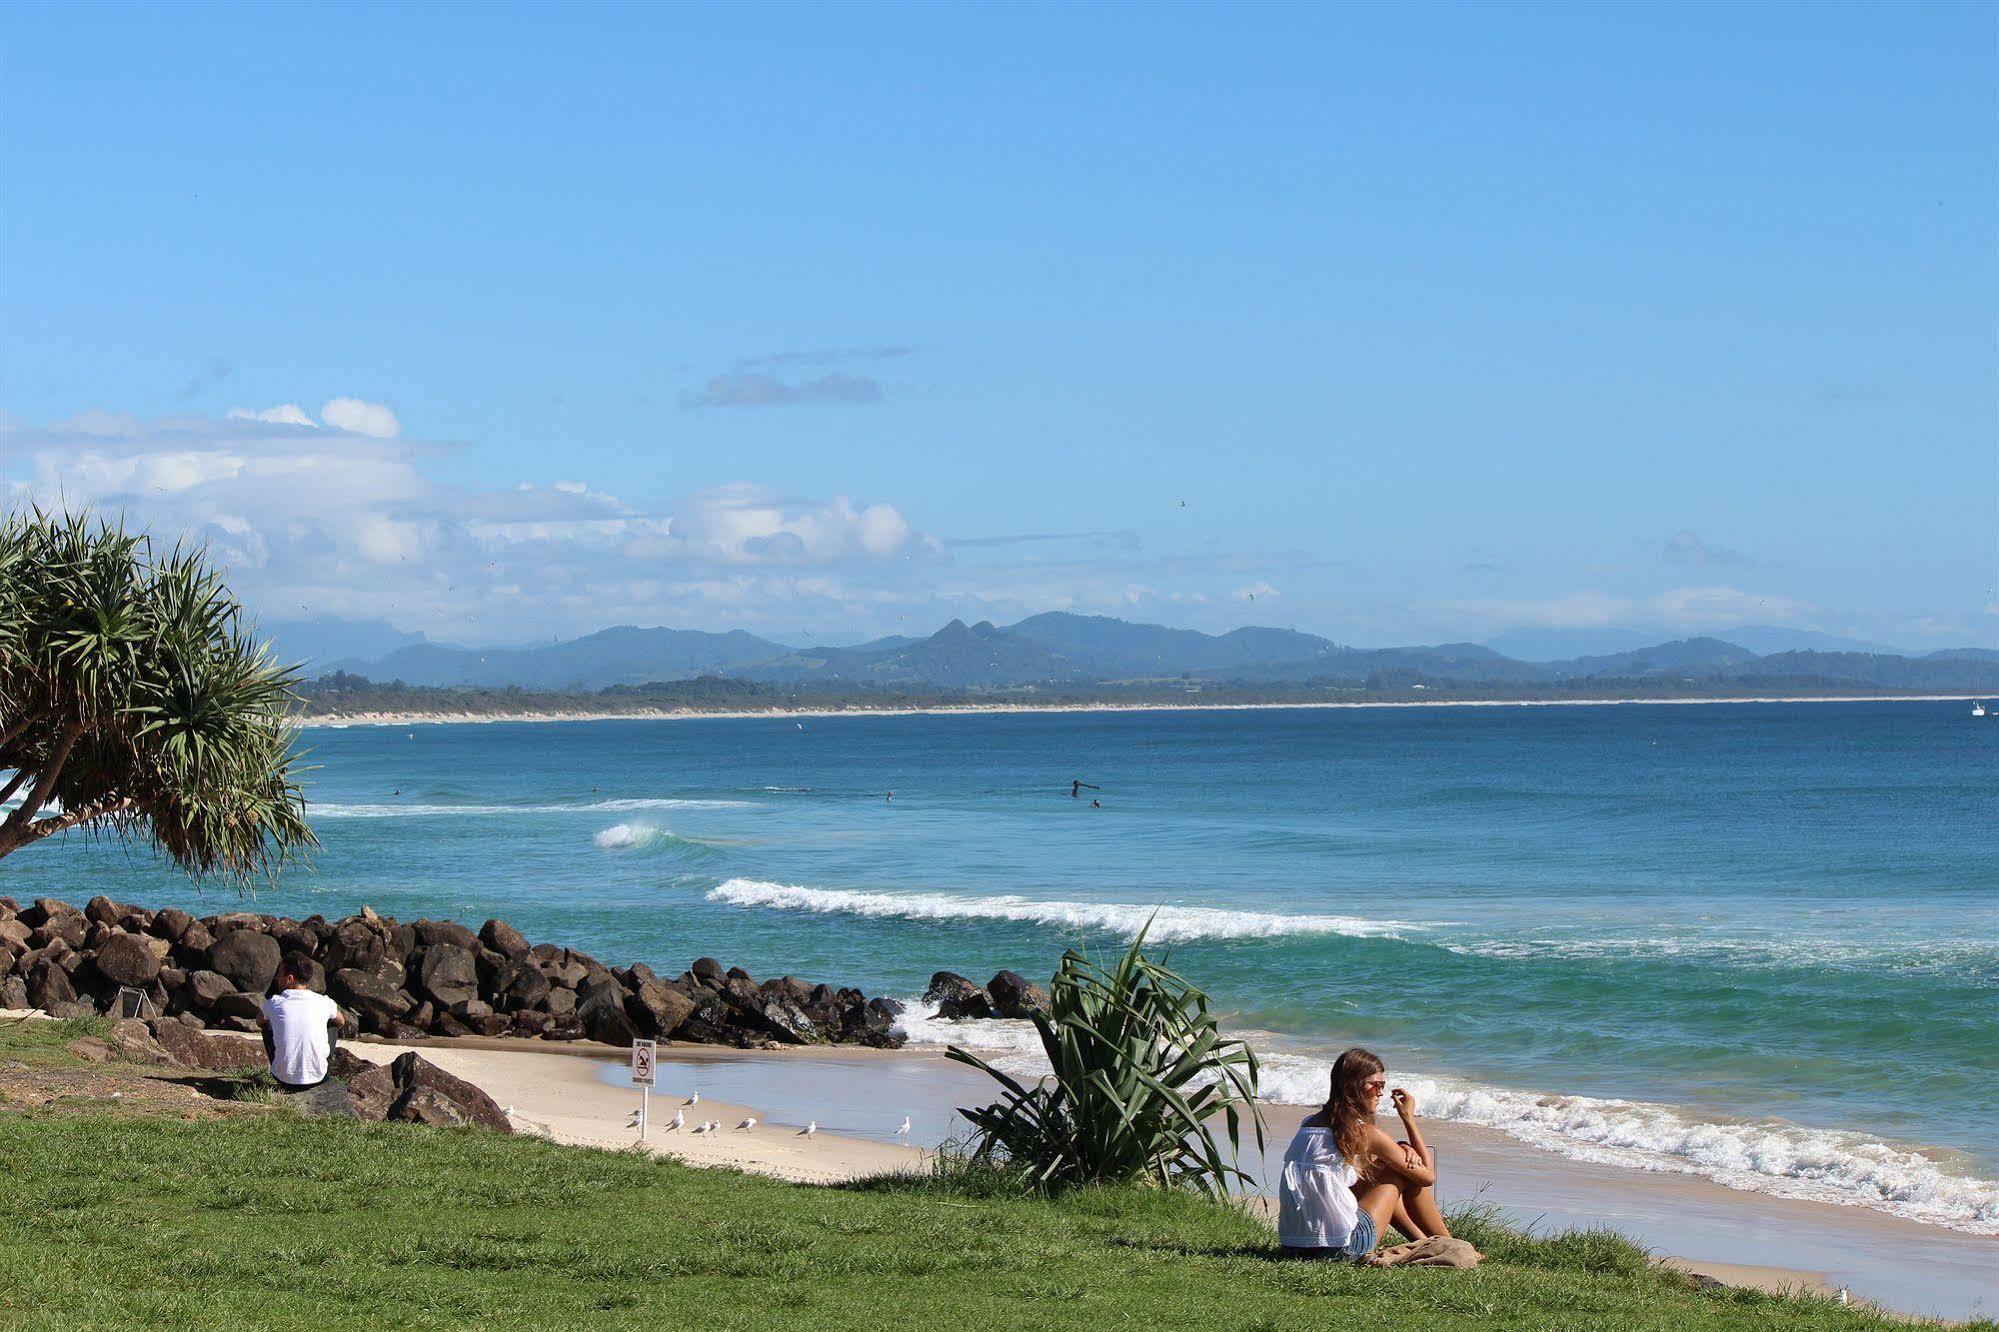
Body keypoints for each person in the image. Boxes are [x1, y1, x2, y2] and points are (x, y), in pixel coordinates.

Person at [1277, 1046, 1451, 1260]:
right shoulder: (1364, 1132)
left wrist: (1402, 1147)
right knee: (1401, 1172)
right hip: (1343, 1248)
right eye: (1374, 1085)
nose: (1380, 1092)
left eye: (1383, 1085)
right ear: (1352, 1087)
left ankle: (1424, 1242)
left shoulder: (1309, 1124)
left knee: (1384, 1169)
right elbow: (1426, 1177)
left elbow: (1369, 1171)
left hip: (1294, 1248)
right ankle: (1451, 1245)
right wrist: (1408, 1120)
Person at [259, 953, 343, 1092]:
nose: (276, 978)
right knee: (332, 1024)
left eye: (279, 974)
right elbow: (341, 1021)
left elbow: (259, 1021)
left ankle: (285, 1068)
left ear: (289, 979)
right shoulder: (323, 1001)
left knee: (267, 1024)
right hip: (318, 1078)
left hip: (283, 1079)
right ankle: (317, 1066)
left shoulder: (275, 1002)